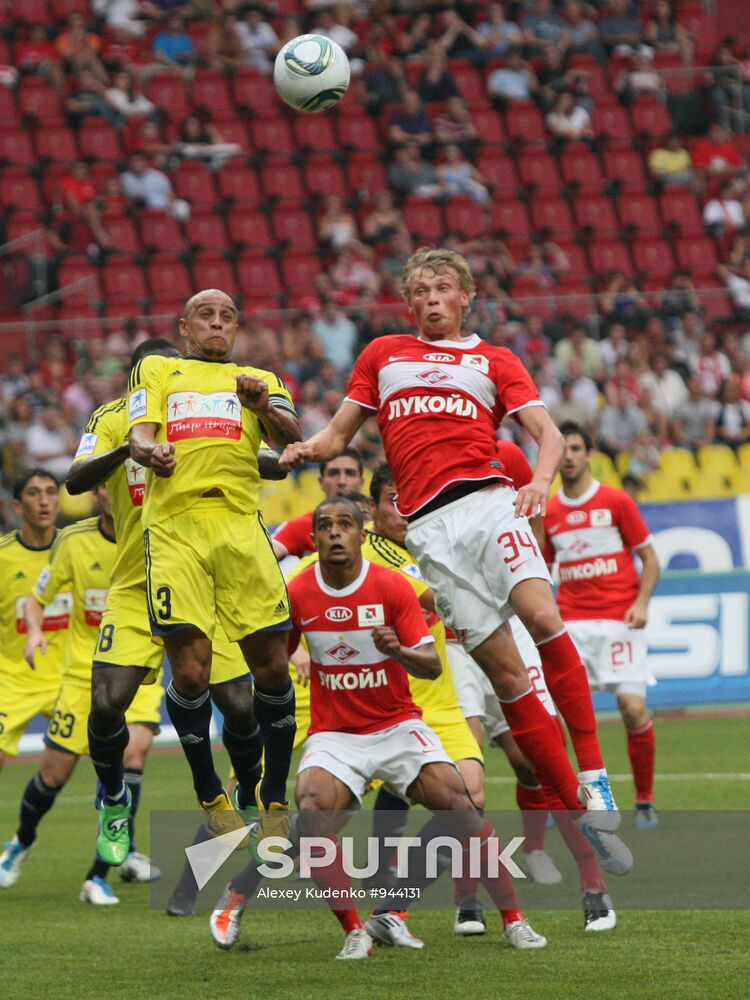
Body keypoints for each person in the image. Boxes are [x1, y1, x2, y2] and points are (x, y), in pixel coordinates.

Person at [280, 246, 632, 874]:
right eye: (421, 291)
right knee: (507, 678)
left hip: (491, 505)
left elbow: (547, 434)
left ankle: (598, 776)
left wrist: (540, 483)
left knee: (544, 622)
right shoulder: (382, 355)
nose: (432, 298)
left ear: (465, 295)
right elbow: (336, 438)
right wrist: (303, 446)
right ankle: (580, 812)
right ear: (409, 301)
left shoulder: (493, 360)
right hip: (432, 536)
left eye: (443, 287)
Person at [209, 496, 547, 957]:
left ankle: (513, 920)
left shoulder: (391, 587)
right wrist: (284, 655)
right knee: (312, 812)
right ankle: (352, 930)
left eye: (344, 524)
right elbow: (272, 659)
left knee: (464, 809)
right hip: (337, 735)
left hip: (398, 724)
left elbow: (429, 664)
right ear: (314, 539)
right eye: (325, 526)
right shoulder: (299, 593)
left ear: (360, 535)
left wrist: (399, 651)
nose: (334, 533)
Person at [125, 291, 301, 853]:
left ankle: (273, 793)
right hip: (176, 527)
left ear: (238, 328)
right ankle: (208, 789)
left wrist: (261, 408)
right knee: (193, 673)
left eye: (228, 317)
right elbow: (139, 433)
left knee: (272, 666)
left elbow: (292, 440)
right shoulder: (159, 368)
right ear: (184, 327)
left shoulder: (259, 377)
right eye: (207, 315)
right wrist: (150, 453)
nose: (218, 324)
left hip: (241, 526)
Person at [448, 440, 617, 928]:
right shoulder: (419, 457)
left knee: (542, 760)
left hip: (513, 629)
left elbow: (534, 539)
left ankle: (593, 884)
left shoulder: (509, 456)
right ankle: (467, 897)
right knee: (466, 780)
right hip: (453, 642)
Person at [0, 485, 162, 901]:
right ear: (95, 492)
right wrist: (35, 631)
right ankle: (22, 841)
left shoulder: (156, 530)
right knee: (53, 776)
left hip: (139, 666)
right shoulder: (74, 541)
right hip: (81, 677)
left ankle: (98, 873)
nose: (116, 491)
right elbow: (38, 598)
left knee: (133, 752)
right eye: (106, 484)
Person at [544, 423, 661, 828]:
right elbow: (541, 571)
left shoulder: (615, 501)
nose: (570, 457)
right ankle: (564, 801)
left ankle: (644, 800)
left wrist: (642, 603)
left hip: (619, 620)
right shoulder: (549, 511)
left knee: (632, 708)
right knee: (558, 717)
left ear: (590, 454)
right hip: (571, 624)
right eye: (563, 450)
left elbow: (650, 559)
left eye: (576, 448)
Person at [0, 471, 66, 782]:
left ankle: (117, 828)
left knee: (120, 752)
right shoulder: (3, 556)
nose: (44, 501)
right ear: (16, 505)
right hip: (12, 681)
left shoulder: (74, 549)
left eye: (51, 492)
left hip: (68, 681)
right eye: (33, 493)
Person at [272, 449, 364, 560]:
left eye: (350, 473)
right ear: (321, 482)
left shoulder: (376, 526)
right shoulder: (304, 525)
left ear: (361, 482)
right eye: (333, 473)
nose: (342, 481)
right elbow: (265, 557)